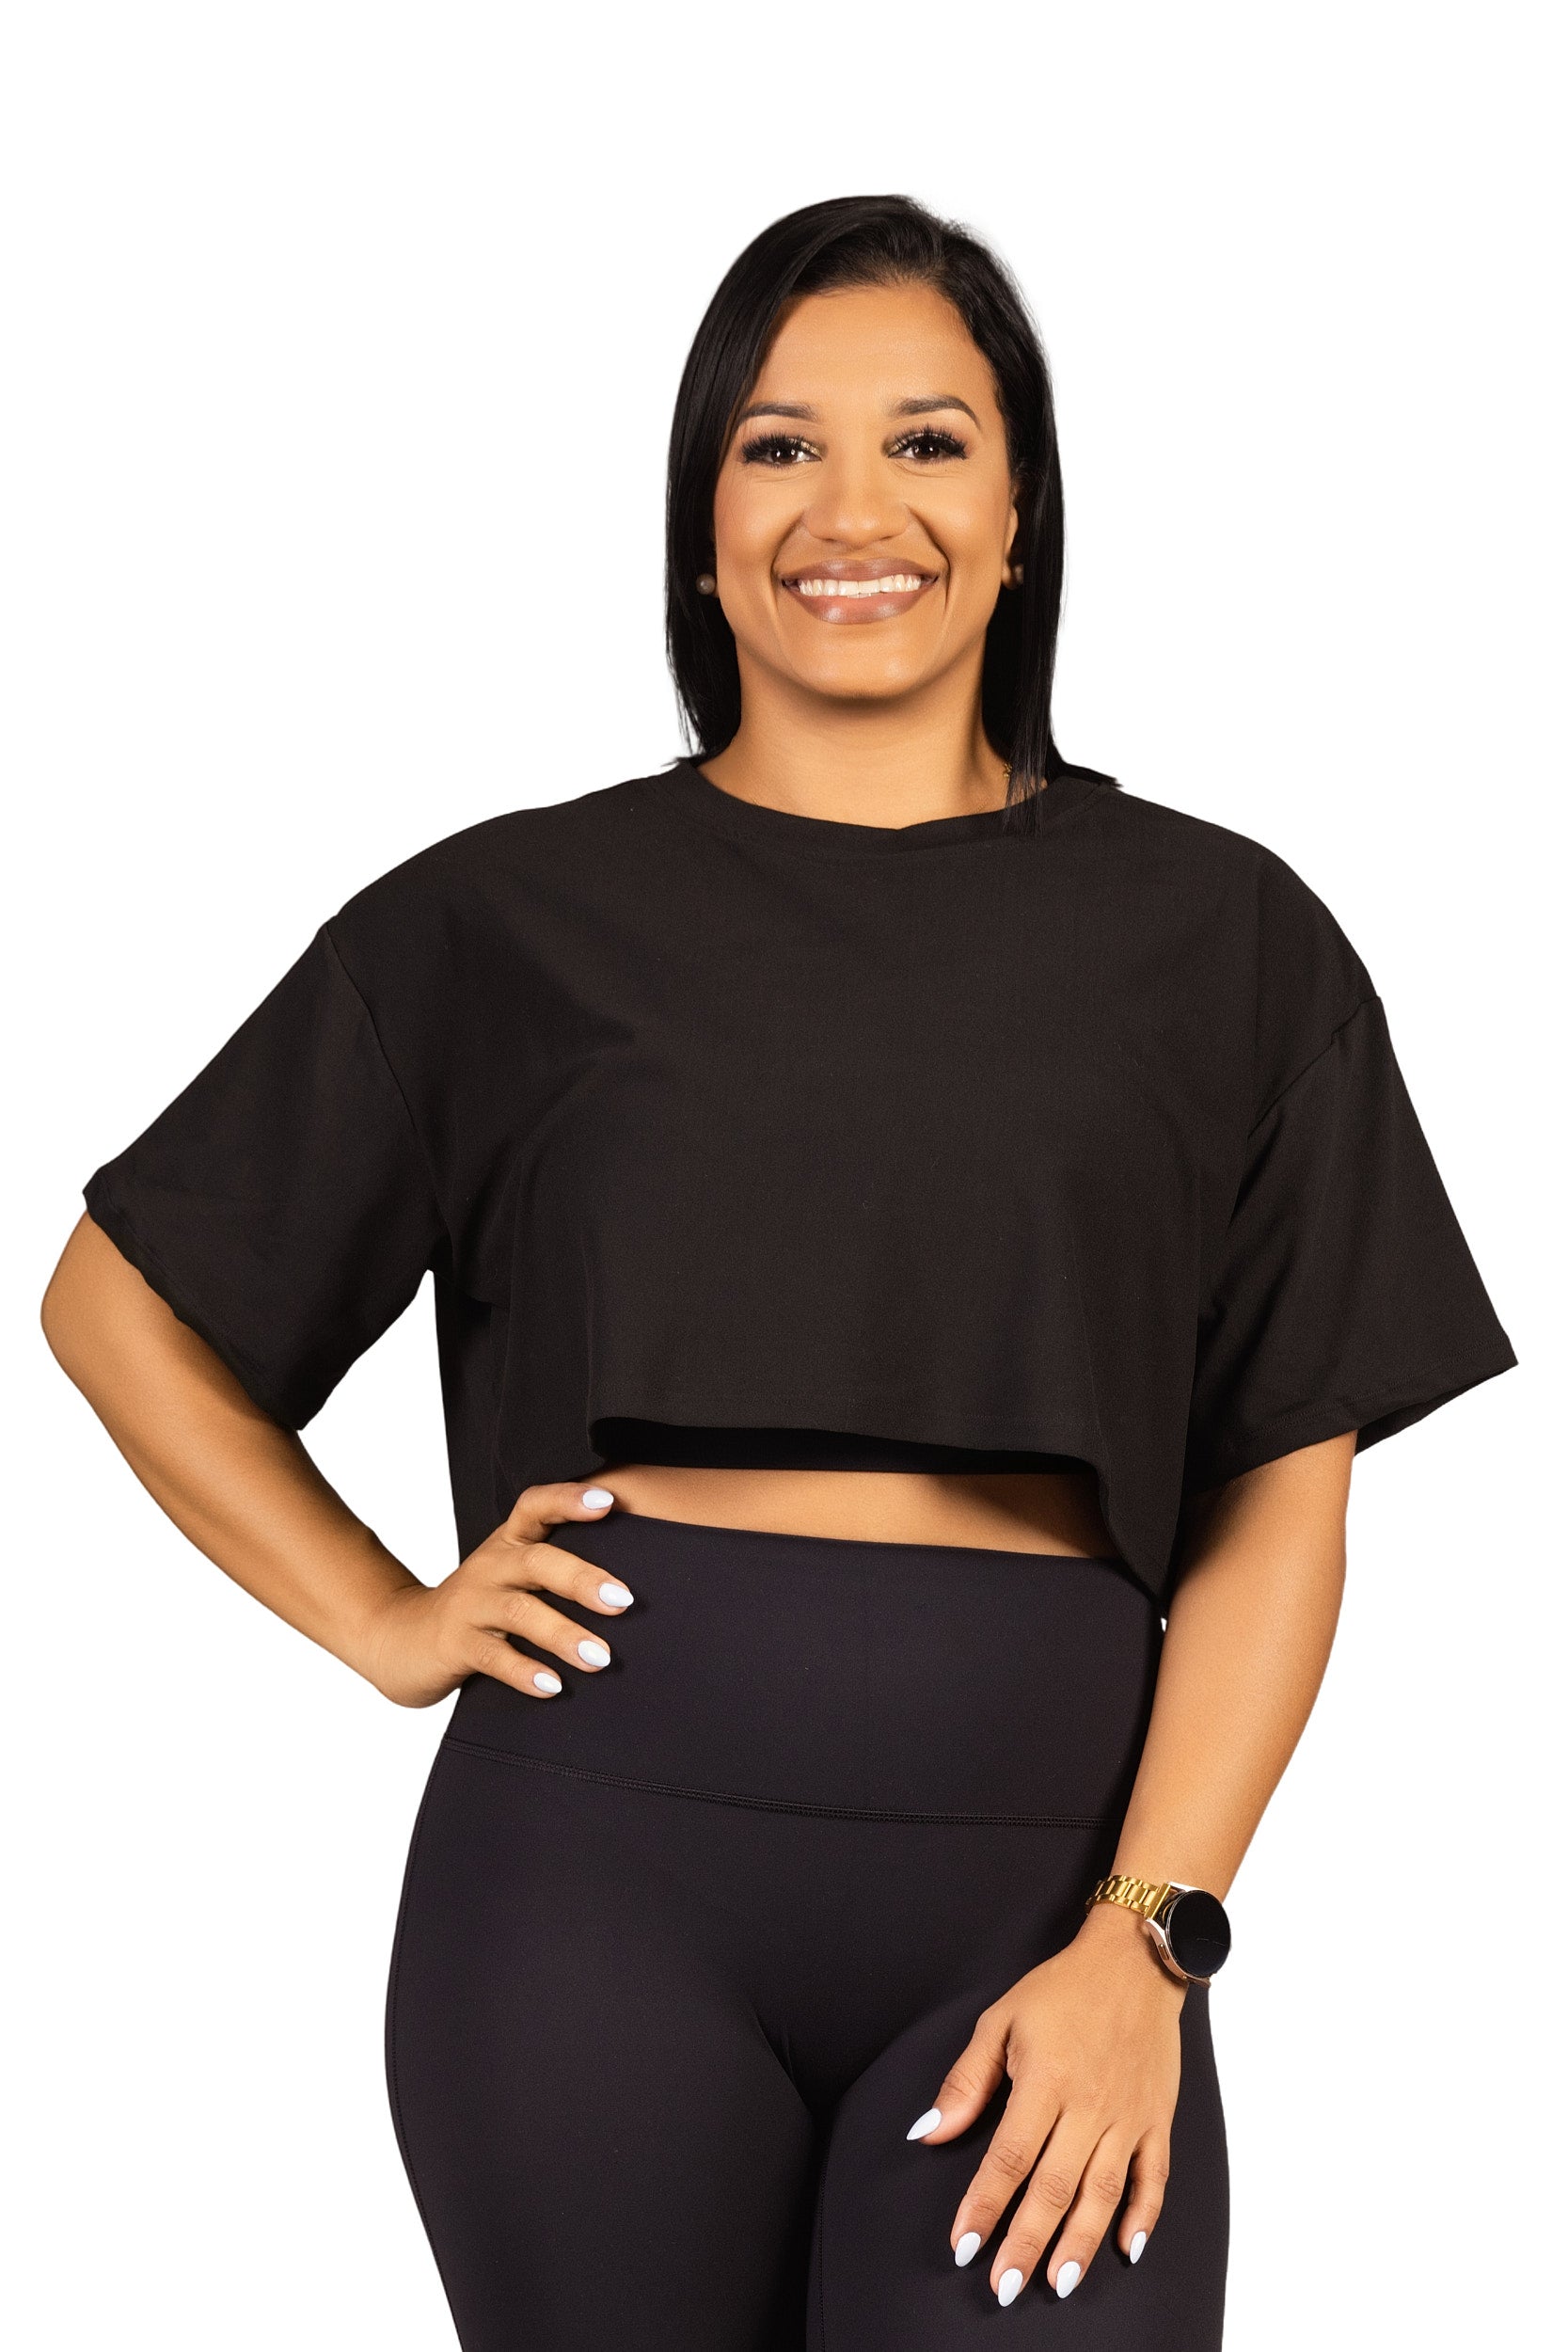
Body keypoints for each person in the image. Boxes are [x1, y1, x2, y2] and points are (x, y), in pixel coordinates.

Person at [40, 194, 1514, 2350]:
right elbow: (121, 1295)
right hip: (589, 1888)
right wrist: (381, 1611)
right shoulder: (507, 921)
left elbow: (1285, 1486)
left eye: (926, 442)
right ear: (701, 520)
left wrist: (1150, 1935)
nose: (852, 508)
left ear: (1021, 513)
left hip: (1045, 1901)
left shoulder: (1226, 942)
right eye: (776, 445)